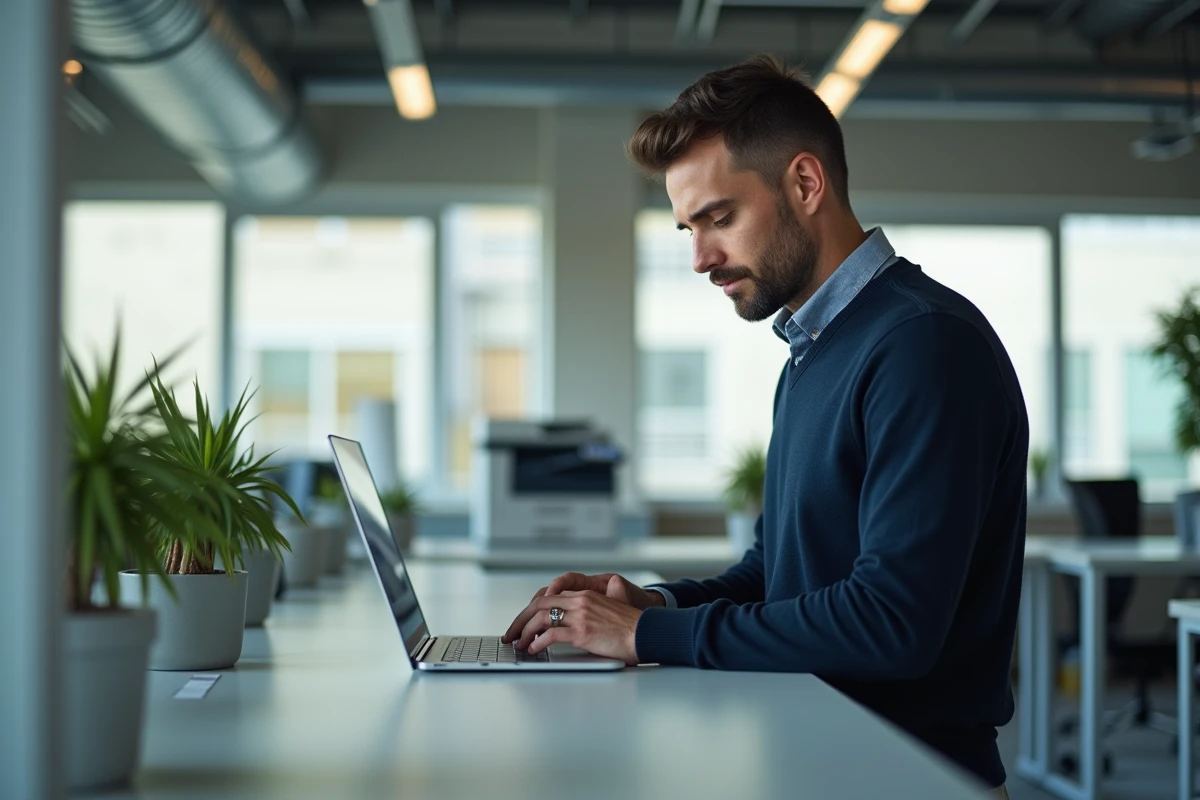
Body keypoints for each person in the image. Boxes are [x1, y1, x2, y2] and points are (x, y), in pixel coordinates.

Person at [502, 54, 1027, 797]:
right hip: (820, 758)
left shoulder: (922, 344)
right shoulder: (811, 354)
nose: (699, 257)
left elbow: (891, 625)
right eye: (688, 227)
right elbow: (776, 572)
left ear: (805, 184)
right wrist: (650, 604)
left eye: (719, 218)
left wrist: (647, 639)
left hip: (907, 777)